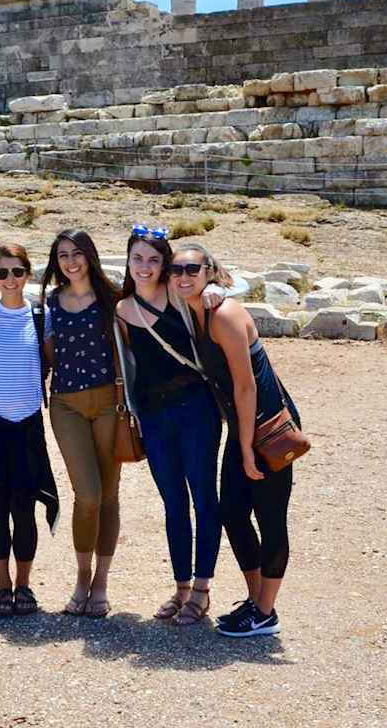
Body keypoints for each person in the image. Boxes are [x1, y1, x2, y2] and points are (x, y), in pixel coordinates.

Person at [171, 243, 300, 638]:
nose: (183, 276)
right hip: (244, 426)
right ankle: (257, 601)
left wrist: (245, 449)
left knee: (269, 516)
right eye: (176, 269)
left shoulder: (222, 315)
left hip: (266, 424)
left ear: (208, 270)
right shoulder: (193, 309)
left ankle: (265, 612)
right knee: (231, 512)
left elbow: (245, 388)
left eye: (192, 268)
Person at [114, 226, 222, 627]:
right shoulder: (123, 310)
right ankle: (180, 587)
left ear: (165, 264)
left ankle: (202, 588)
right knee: (173, 504)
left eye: (153, 260)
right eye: (137, 259)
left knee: (204, 499)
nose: (145, 267)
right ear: (127, 261)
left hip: (196, 409)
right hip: (155, 417)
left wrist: (217, 291)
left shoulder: (183, 295)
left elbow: (227, 281)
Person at [0, 242, 59, 617]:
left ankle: (24, 585)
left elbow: (49, 361)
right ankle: (2, 586)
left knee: (25, 506)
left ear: (28, 275)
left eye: (17, 272)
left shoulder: (42, 316)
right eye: (2, 272)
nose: (10, 279)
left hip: (26, 423)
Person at [38, 230, 123, 617]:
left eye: (77, 254)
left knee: (108, 494)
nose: (70, 262)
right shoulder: (50, 303)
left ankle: (101, 581)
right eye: (63, 256)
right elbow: (47, 355)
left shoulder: (114, 299)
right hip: (66, 405)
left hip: (109, 403)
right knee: (86, 494)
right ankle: (82, 576)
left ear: (90, 256)